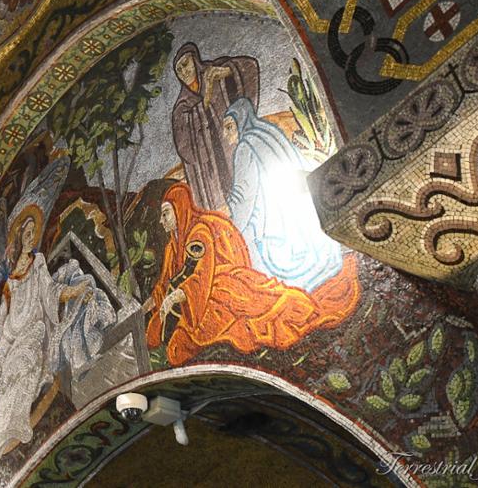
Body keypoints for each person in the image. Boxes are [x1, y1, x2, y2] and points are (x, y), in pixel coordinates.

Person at [0, 206, 104, 488]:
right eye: (27, 232)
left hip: (33, 334)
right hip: (9, 344)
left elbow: (50, 292)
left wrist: (73, 291)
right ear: (20, 237)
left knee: (18, 369)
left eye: (35, 231)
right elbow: (2, 325)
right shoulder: (9, 281)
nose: (31, 236)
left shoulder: (39, 263)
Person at [144, 184, 358, 365]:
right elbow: (166, 281)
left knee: (183, 346)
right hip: (193, 303)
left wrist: (175, 296)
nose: (162, 221)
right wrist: (149, 304)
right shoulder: (173, 245)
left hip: (216, 291)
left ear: (179, 207)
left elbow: (201, 278)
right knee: (162, 338)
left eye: (165, 213)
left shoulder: (199, 232)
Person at [222, 97, 346, 291]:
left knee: (244, 237)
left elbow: (244, 195)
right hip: (297, 210)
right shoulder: (267, 132)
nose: (225, 133)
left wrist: (229, 216)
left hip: (273, 218)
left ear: (241, 121)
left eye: (229, 126)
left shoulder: (244, 147)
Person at [169, 43, 259, 211]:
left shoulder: (214, 72)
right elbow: (185, 149)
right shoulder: (181, 107)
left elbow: (249, 67)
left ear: (195, 60)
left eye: (185, 64)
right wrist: (205, 101)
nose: (184, 71)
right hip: (210, 168)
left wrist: (226, 72)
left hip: (230, 148)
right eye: (179, 70)